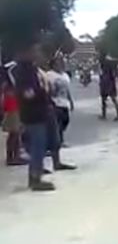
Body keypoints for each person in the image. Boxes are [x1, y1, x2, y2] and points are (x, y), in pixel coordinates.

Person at [10, 40, 76, 191]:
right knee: (38, 146)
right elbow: (27, 93)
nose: (38, 54)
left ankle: (39, 170)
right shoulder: (23, 71)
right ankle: (35, 179)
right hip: (33, 113)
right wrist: (42, 92)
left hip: (42, 110)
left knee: (49, 141)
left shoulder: (32, 69)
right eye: (35, 51)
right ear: (26, 53)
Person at [46, 56, 75, 146]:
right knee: (57, 124)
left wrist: (71, 101)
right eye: (57, 63)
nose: (60, 65)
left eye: (61, 63)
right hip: (54, 103)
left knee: (65, 122)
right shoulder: (49, 75)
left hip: (64, 103)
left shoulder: (65, 75)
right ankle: (57, 142)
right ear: (53, 65)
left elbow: (67, 89)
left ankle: (59, 140)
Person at [2, 68, 24, 166]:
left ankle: (15, 156)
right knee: (14, 134)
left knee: (16, 134)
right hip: (12, 108)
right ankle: (11, 158)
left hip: (14, 107)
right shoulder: (7, 83)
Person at [99, 54, 118, 121]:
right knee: (112, 100)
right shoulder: (111, 68)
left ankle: (104, 115)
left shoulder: (106, 69)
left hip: (106, 85)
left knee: (105, 101)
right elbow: (113, 77)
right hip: (109, 85)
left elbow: (110, 76)